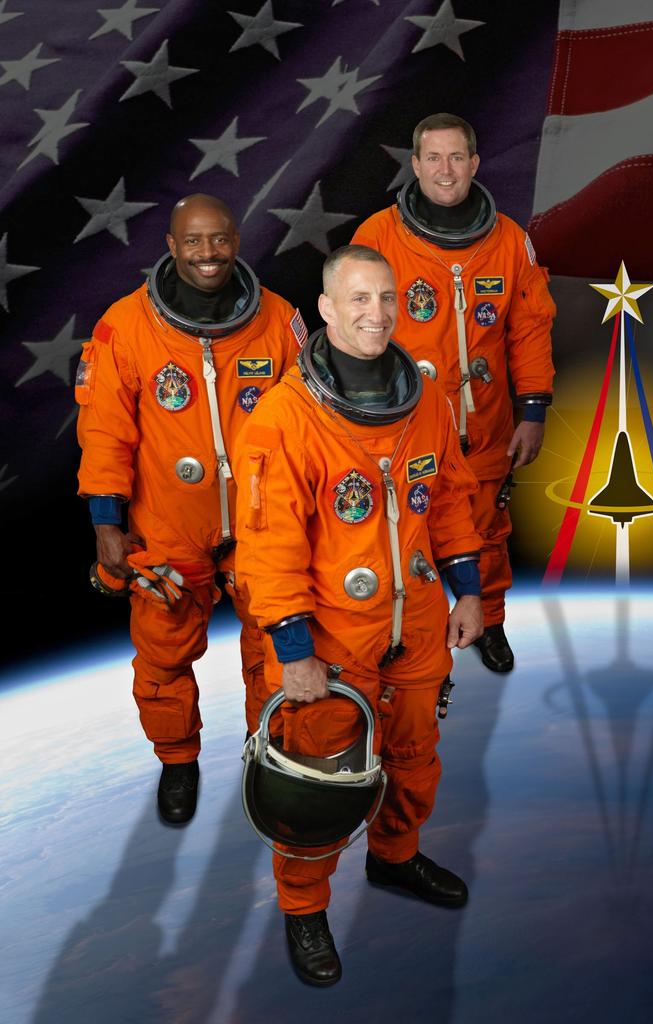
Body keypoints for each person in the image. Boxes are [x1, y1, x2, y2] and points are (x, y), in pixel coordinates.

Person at [234, 245, 484, 986]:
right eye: (359, 301)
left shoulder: (426, 399)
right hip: (330, 635)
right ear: (325, 309)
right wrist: (293, 647)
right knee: (317, 776)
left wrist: (468, 587)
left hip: (415, 619)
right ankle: (304, 908)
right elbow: (269, 542)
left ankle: (397, 858)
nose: (376, 315)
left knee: (412, 754)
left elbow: (447, 499)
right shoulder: (284, 416)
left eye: (386, 299)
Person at [75, 194, 306, 825]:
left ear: (236, 240)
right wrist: (105, 523)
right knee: (164, 649)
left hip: (261, 522)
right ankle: (177, 760)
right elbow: (104, 434)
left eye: (220, 239)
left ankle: (274, 756)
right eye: (194, 242)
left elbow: (309, 423)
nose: (209, 254)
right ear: (173, 247)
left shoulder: (279, 320)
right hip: (170, 523)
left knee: (277, 647)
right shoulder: (124, 327)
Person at [352, 112, 555, 674]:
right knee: (400, 532)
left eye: (457, 157)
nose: (446, 170)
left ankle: (488, 622)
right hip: (404, 423)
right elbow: (354, 331)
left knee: (486, 532)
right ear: (415, 165)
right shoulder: (378, 237)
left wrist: (533, 409)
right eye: (433, 158)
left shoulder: (510, 241)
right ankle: (404, 640)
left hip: (484, 424)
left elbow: (530, 329)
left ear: (475, 163)